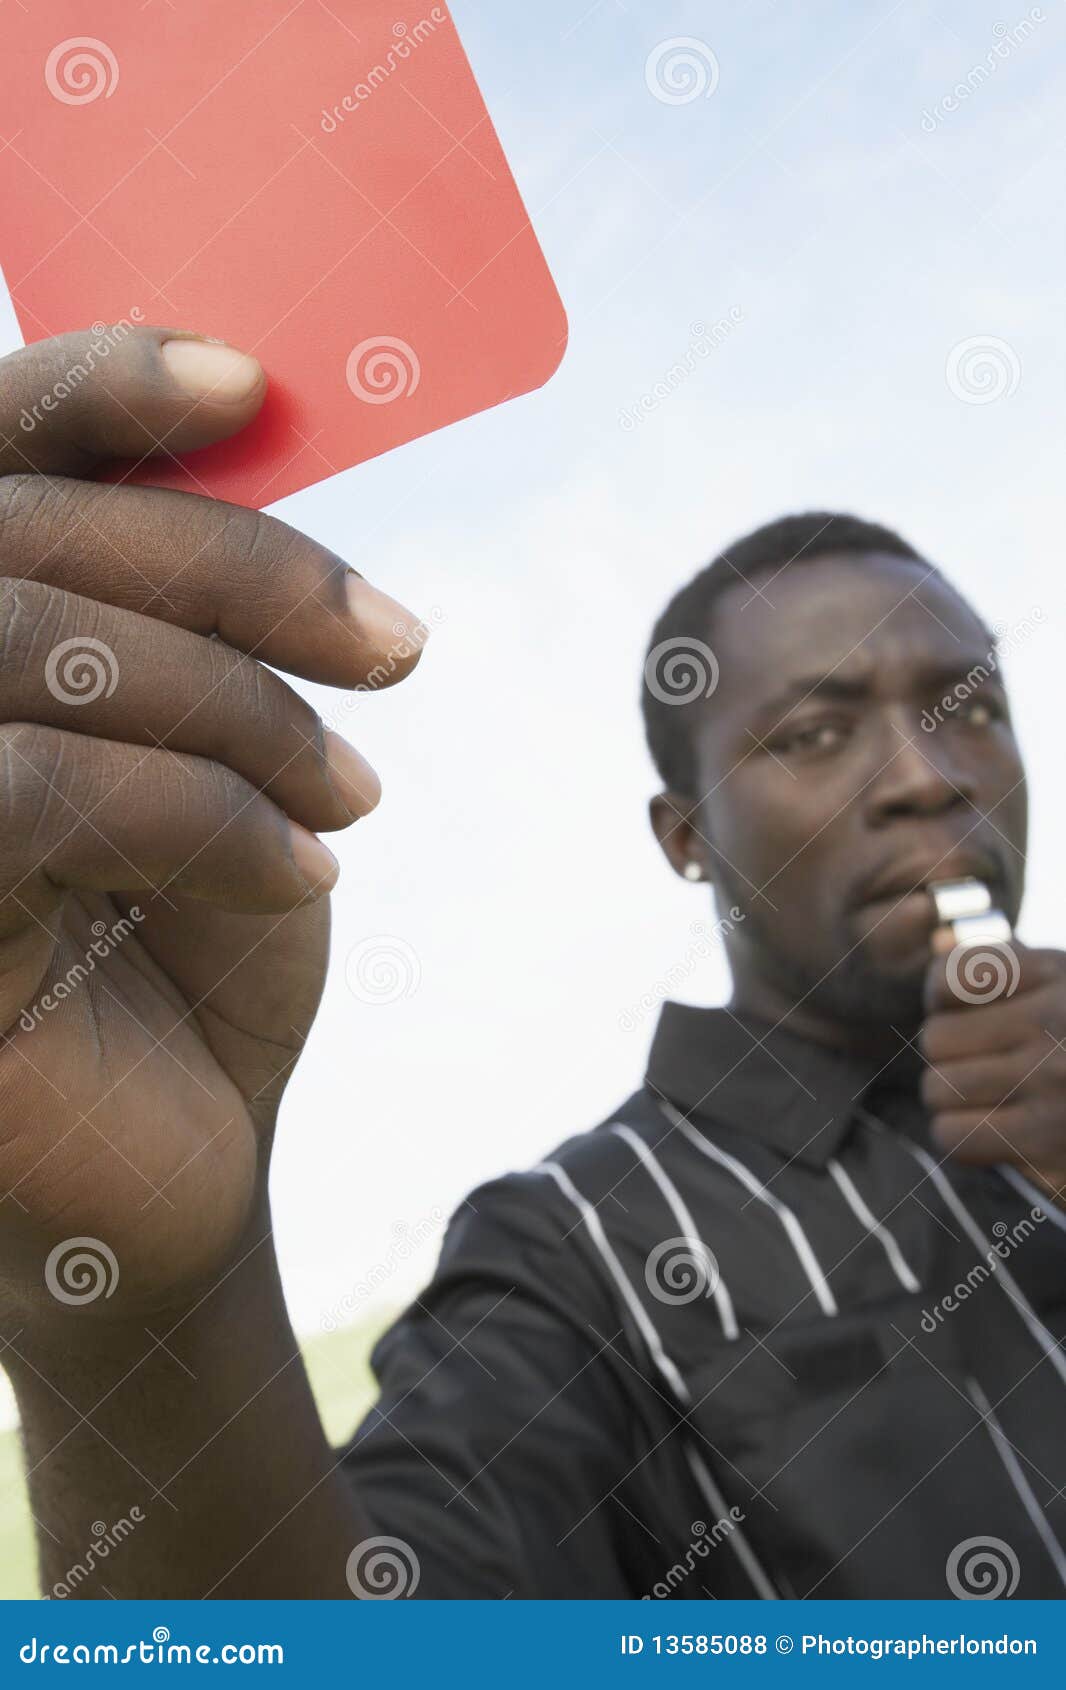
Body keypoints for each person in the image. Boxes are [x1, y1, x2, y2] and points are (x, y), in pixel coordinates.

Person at [1, 328, 1064, 1603]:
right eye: (817, 732)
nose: (928, 775)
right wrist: (142, 1310)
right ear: (686, 840)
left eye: (974, 711)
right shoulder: (576, 1251)